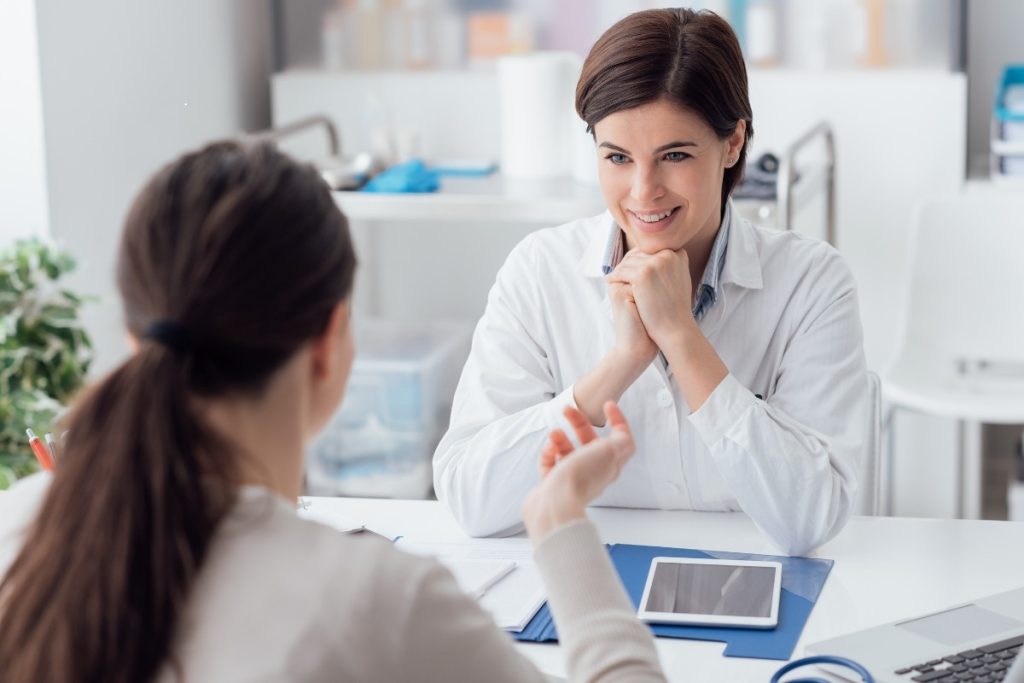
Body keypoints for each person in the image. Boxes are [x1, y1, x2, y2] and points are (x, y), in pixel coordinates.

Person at [0, 141, 666, 682]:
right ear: (330, 342)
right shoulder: (377, 604)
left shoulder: (19, 527)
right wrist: (560, 526)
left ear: (132, 336)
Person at [433, 7, 869, 556]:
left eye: (675, 155)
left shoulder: (812, 283)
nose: (643, 191)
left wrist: (682, 338)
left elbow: (811, 519)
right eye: (617, 157)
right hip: (588, 583)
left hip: (752, 579)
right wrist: (618, 366)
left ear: (733, 143)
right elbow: (470, 501)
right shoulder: (539, 270)